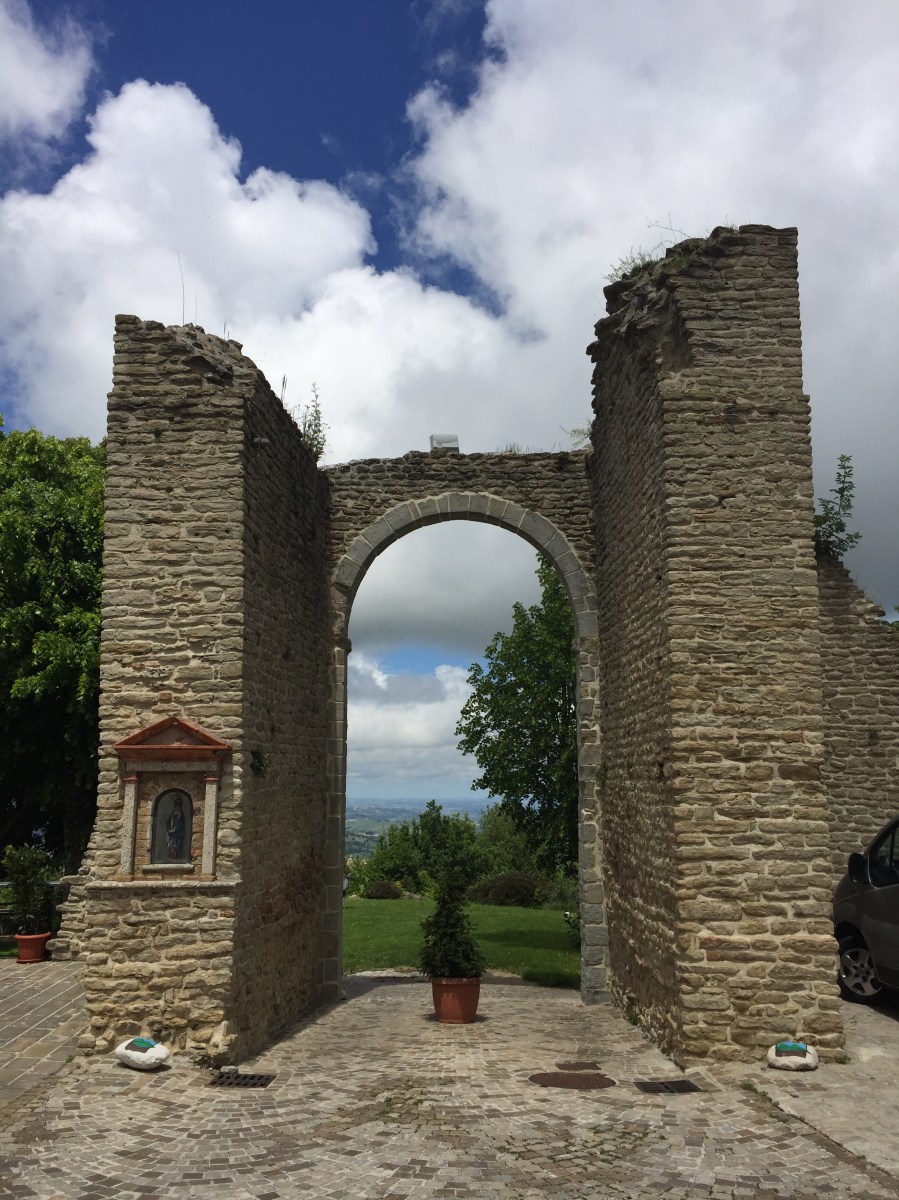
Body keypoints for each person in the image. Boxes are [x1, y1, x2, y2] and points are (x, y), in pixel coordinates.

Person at [166, 796, 186, 860]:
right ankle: (171, 858)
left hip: (178, 834)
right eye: (176, 806)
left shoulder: (181, 815)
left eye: (178, 806)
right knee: (171, 846)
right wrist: (169, 829)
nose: (177, 807)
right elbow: (168, 822)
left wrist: (176, 828)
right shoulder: (172, 814)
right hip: (171, 834)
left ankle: (177, 857)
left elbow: (182, 824)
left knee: (177, 846)